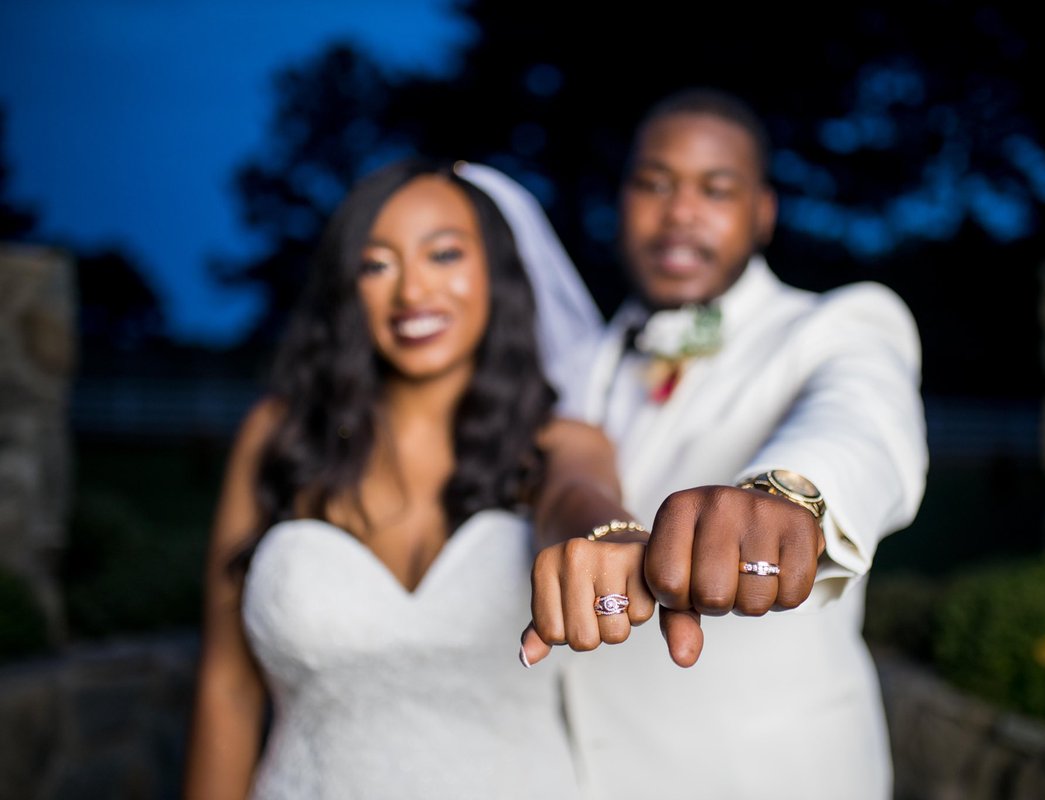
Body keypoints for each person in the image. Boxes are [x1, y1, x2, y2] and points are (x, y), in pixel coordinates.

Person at [182, 158, 635, 799]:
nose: (413, 292)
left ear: (498, 274)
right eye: (377, 264)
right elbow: (226, 688)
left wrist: (612, 540)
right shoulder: (278, 436)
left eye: (444, 255)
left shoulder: (559, 443)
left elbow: (579, 498)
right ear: (349, 288)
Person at [522, 88, 929, 798]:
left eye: (715, 189)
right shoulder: (589, 362)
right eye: (654, 184)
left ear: (761, 213)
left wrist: (784, 495)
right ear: (622, 202)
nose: (680, 212)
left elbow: (864, 422)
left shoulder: (837, 325)